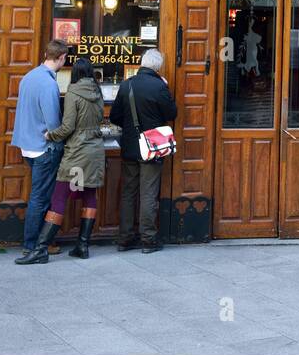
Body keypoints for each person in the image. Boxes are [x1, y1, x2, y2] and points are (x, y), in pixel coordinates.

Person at [17, 58, 108, 265]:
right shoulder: (98, 91)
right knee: (88, 195)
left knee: (59, 196)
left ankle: (40, 249)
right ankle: (82, 246)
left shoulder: (73, 92)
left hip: (77, 152)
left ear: (74, 73)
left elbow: (67, 127)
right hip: (94, 151)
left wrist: (51, 135)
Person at [110, 48, 178, 253]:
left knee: (129, 193)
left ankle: (125, 238)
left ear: (142, 63)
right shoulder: (159, 86)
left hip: (130, 146)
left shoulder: (126, 84)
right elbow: (172, 113)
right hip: (152, 147)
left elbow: (114, 117)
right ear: (157, 67)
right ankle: (148, 240)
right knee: (148, 193)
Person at [12, 39, 68, 263]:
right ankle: (32, 246)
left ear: (46, 53)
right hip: (43, 147)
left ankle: (37, 244)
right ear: (62, 57)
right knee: (40, 198)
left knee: (38, 196)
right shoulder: (48, 84)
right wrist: (58, 139)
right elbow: (53, 121)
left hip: (27, 144)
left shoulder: (29, 77)